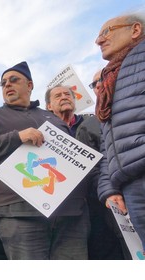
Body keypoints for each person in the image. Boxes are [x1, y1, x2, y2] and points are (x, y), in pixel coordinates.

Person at [0, 61, 90, 260]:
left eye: (14, 80)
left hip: (69, 214)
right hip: (18, 212)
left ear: (30, 85)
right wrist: (17, 137)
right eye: (3, 83)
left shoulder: (53, 118)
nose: (7, 85)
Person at [46, 82, 126, 259]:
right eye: (58, 96)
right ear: (49, 106)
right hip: (68, 208)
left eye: (68, 94)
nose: (64, 97)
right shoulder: (44, 132)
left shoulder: (93, 122)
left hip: (101, 199)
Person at [95, 12, 145, 254]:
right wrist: (110, 188)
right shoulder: (111, 79)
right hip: (131, 187)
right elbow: (108, 144)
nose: (98, 41)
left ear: (135, 30)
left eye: (106, 32)